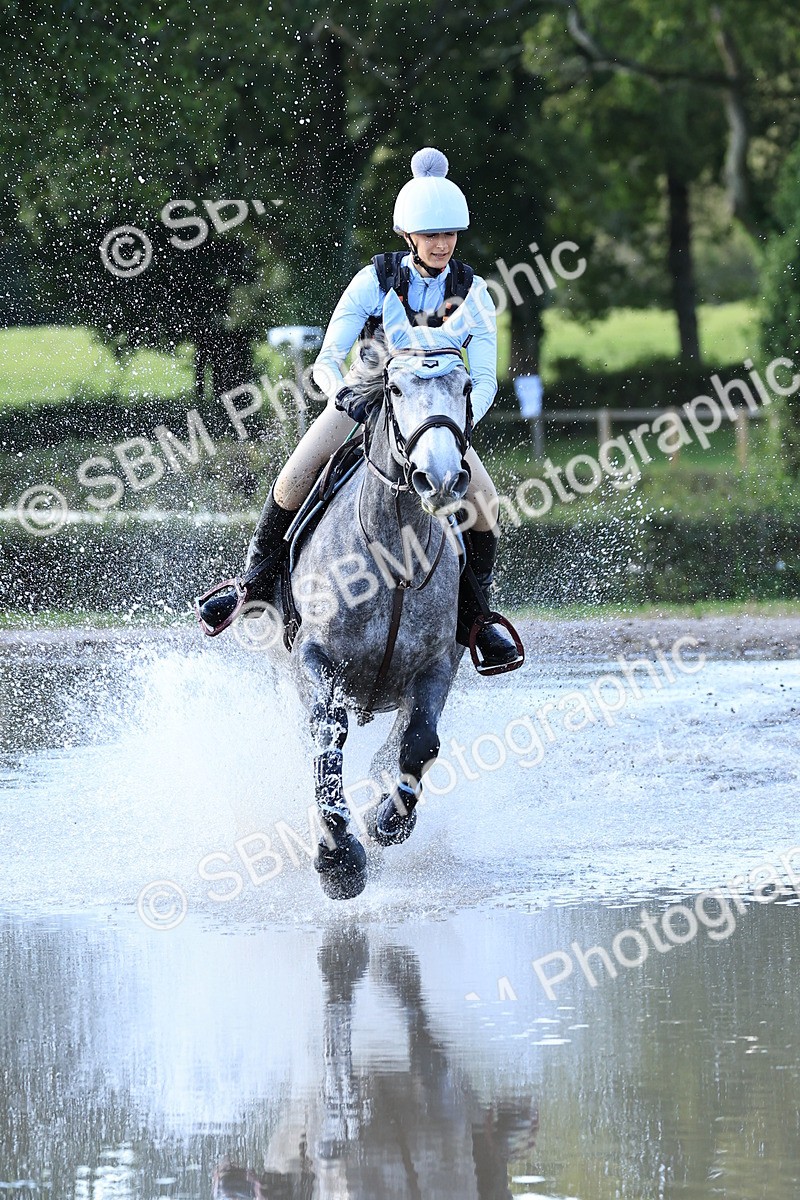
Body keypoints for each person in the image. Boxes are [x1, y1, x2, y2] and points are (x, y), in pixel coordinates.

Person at [198, 147, 518, 668]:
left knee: (485, 505)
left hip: (433, 415)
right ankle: (252, 586)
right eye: (431, 235)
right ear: (409, 236)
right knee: (293, 477)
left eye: (449, 234)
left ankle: (477, 621)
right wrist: (339, 393)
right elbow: (327, 357)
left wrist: (454, 430)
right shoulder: (374, 280)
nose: (442, 245)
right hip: (367, 396)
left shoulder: (474, 291)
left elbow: (483, 379)